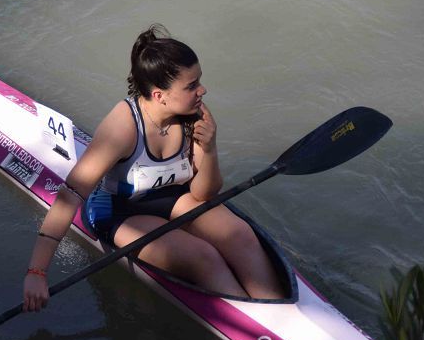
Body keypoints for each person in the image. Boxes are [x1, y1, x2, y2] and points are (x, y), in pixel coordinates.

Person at [23, 25, 284, 311]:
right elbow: (70, 195)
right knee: (203, 257)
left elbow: (204, 192)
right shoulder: (122, 127)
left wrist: (209, 148)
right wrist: (37, 272)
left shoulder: (194, 113)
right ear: (160, 95)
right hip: (120, 211)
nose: (202, 90)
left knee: (241, 235)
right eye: (191, 85)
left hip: (174, 198)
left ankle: (279, 312)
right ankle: (257, 327)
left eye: (199, 81)